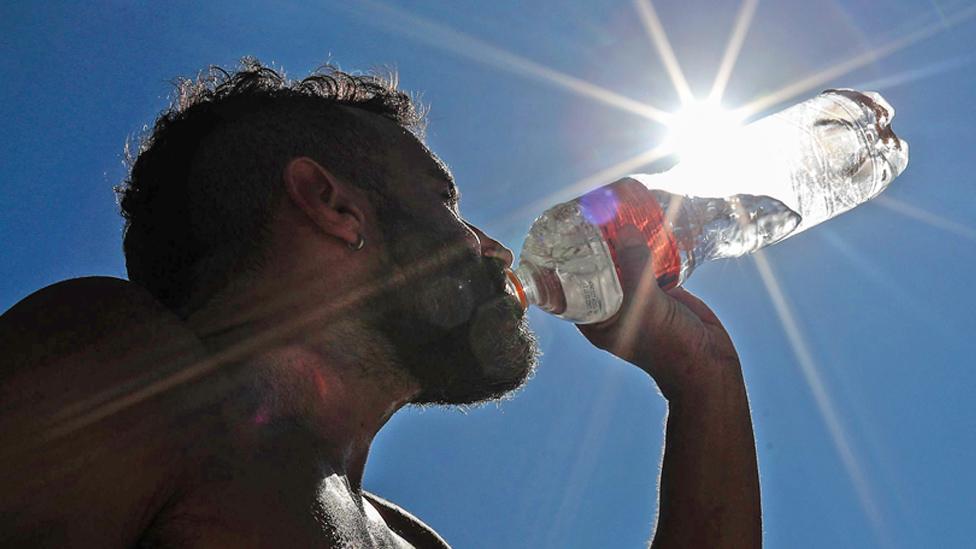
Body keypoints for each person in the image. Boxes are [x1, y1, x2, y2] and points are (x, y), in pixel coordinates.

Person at [0, 59, 761, 548]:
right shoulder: (119, 372)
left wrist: (703, 378)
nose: (495, 249)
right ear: (333, 205)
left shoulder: (414, 544)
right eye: (445, 202)